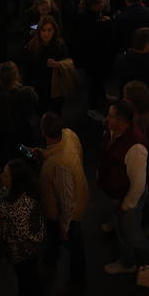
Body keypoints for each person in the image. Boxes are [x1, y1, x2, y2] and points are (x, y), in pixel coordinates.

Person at [0, 158, 49, 296]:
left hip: (25, 253)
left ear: (16, 180)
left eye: (5, 174)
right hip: (17, 253)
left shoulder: (24, 203)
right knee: (24, 283)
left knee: (31, 284)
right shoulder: (10, 191)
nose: (1, 176)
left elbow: (22, 235)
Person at [98, 98, 149, 274]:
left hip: (129, 198)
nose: (106, 119)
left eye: (111, 116)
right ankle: (128, 260)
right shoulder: (113, 132)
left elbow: (138, 185)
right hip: (118, 194)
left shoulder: (135, 147)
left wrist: (126, 205)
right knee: (122, 229)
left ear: (122, 121)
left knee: (133, 234)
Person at [37, 110, 89, 284]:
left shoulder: (59, 165)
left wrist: (65, 226)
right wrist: (42, 154)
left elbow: (66, 200)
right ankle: (50, 260)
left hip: (66, 213)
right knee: (56, 239)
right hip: (79, 197)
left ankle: (77, 282)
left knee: (73, 245)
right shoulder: (68, 134)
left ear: (43, 132)